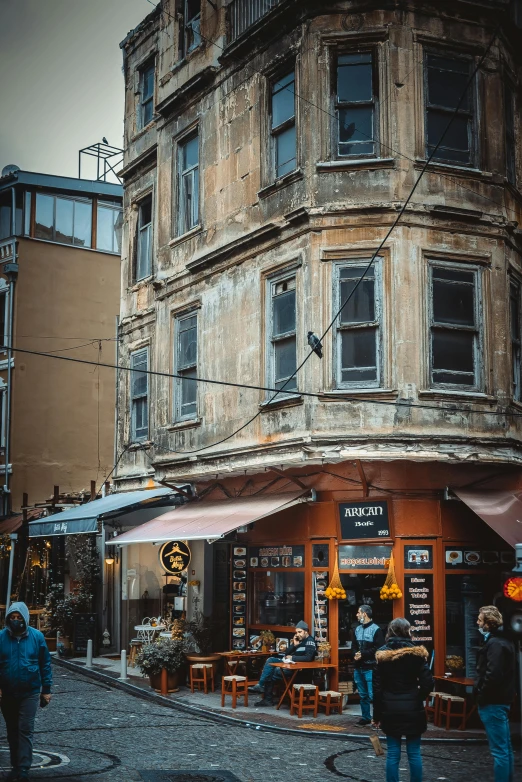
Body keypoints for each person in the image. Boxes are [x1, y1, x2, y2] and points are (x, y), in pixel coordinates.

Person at [373, 617, 434, 782]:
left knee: (393, 753)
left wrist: (376, 715)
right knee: (414, 753)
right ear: (408, 631)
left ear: (390, 631)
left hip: (390, 709)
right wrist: (416, 697)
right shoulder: (417, 654)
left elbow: (377, 690)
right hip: (413, 708)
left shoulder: (382, 655)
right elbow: (428, 683)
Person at [0, 602, 52, 781]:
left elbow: (45, 664)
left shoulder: (37, 637)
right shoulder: (1, 637)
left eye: (19, 618)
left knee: (25, 729)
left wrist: (46, 689)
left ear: (25, 619)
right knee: (12, 730)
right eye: (12, 618)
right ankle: (15, 765)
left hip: (29, 692)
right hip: (7, 693)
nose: (15, 621)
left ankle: (23, 770)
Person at [475, 605, 515, 782]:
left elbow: (493, 674)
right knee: (505, 748)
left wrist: (481, 695)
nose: (477, 622)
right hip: (501, 700)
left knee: (500, 750)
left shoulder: (495, 644)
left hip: (493, 702)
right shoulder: (504, 641)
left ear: (488, 623)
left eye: (480, 619)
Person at [249, 620, 317, 707]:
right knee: (270, 660)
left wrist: (292, 657)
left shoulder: (310, 641)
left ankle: (267, 699)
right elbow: (286, 653)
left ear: (306, 631)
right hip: (290, 664)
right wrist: (294, 645)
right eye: (296, 632)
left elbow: (308, 658)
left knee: (272, 672)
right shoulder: (299, 640)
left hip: (298, 669)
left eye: (300, 632)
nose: (298, 634)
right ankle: (260, 685)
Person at [352, 604, 385, 726]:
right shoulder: (357, 629)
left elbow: (379, 649)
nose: (357, 615)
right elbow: (354, 646)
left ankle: (378, 719)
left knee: (374, 695)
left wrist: (363, 654)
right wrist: (355, 654)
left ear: (364, 614)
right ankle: (366, 717)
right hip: (359, 667)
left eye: (358, 612)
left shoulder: (376, 630)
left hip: (371, 668)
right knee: (363, 695)